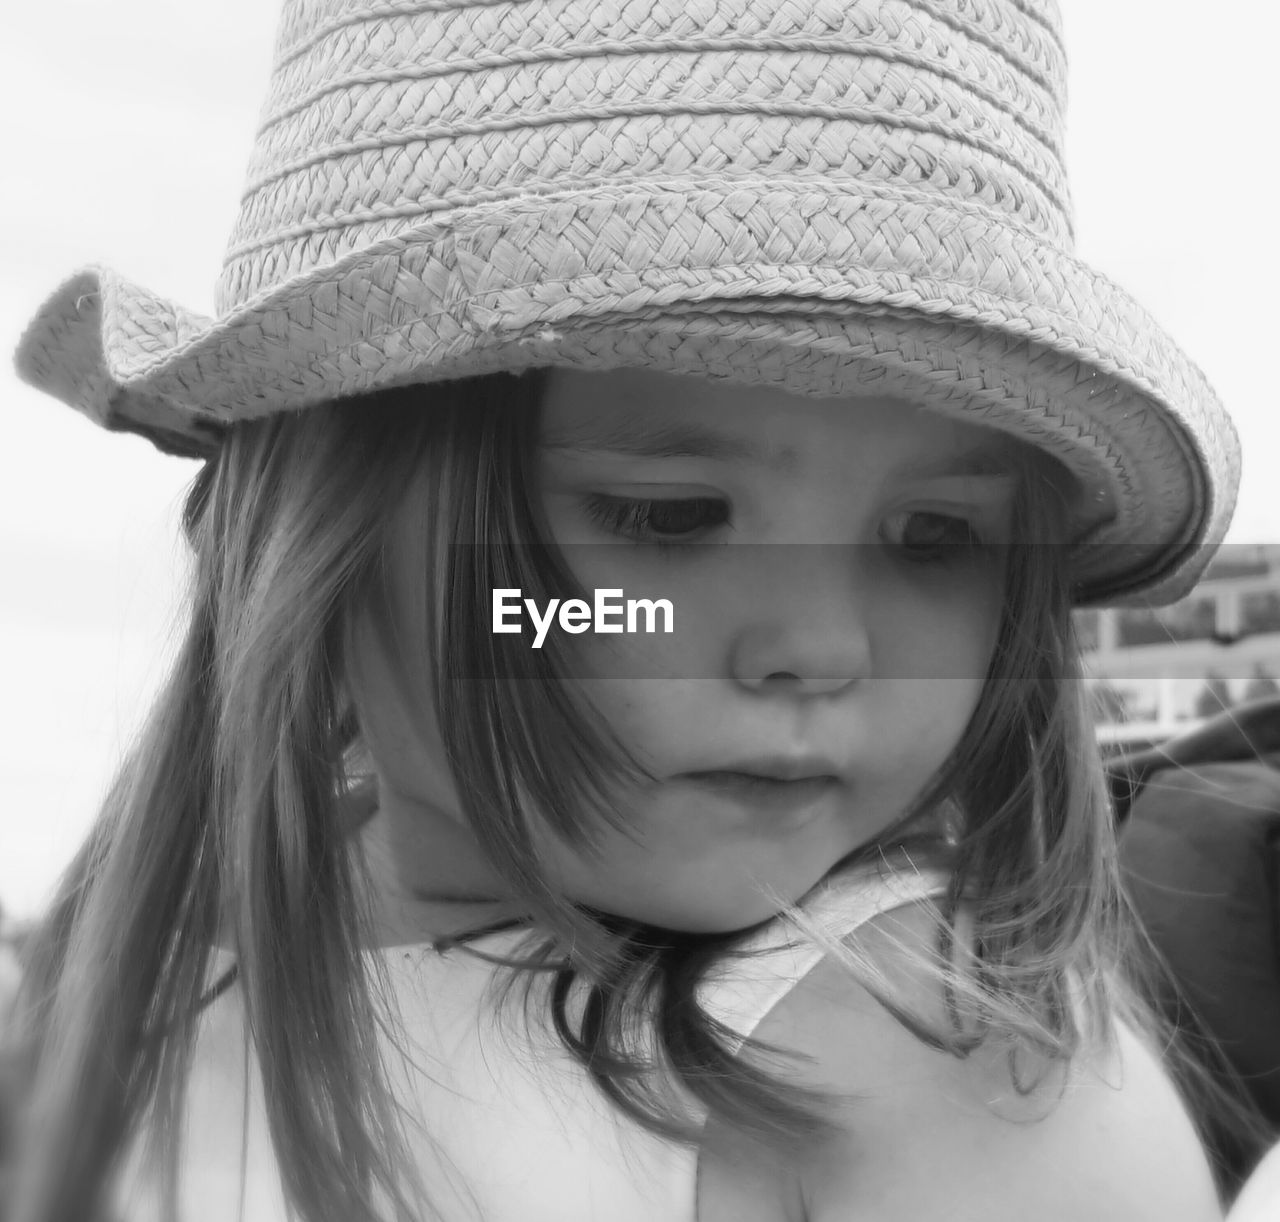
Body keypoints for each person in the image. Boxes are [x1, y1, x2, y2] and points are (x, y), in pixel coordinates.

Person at [2, 1, 1263, 1220]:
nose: (819, 650)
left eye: (936, 537)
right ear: (318, 527)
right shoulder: (145, 979)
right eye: (668, 519)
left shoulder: (965, 1103)